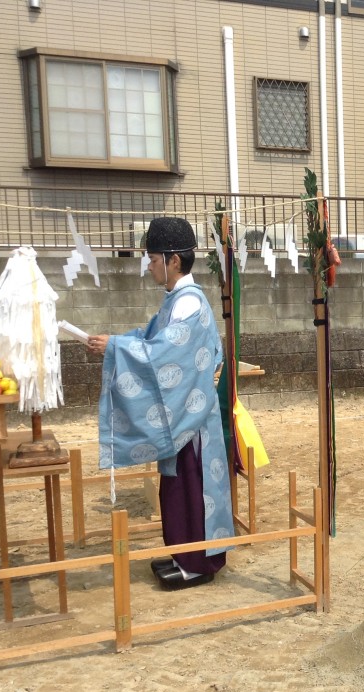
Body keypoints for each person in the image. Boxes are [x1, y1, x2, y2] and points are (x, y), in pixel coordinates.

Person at [87, 217, 233, 590]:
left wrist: (117, 348)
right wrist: (115, 341)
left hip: (192, 416)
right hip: (182, 411)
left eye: (152, 258)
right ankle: (184, 556)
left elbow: (164, 353)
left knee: (191, 487)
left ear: (172, 260)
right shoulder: (176, 302)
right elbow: (149, 339)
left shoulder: (188, 303)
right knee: (177, 487)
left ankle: (198, 563)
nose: (148, 266)